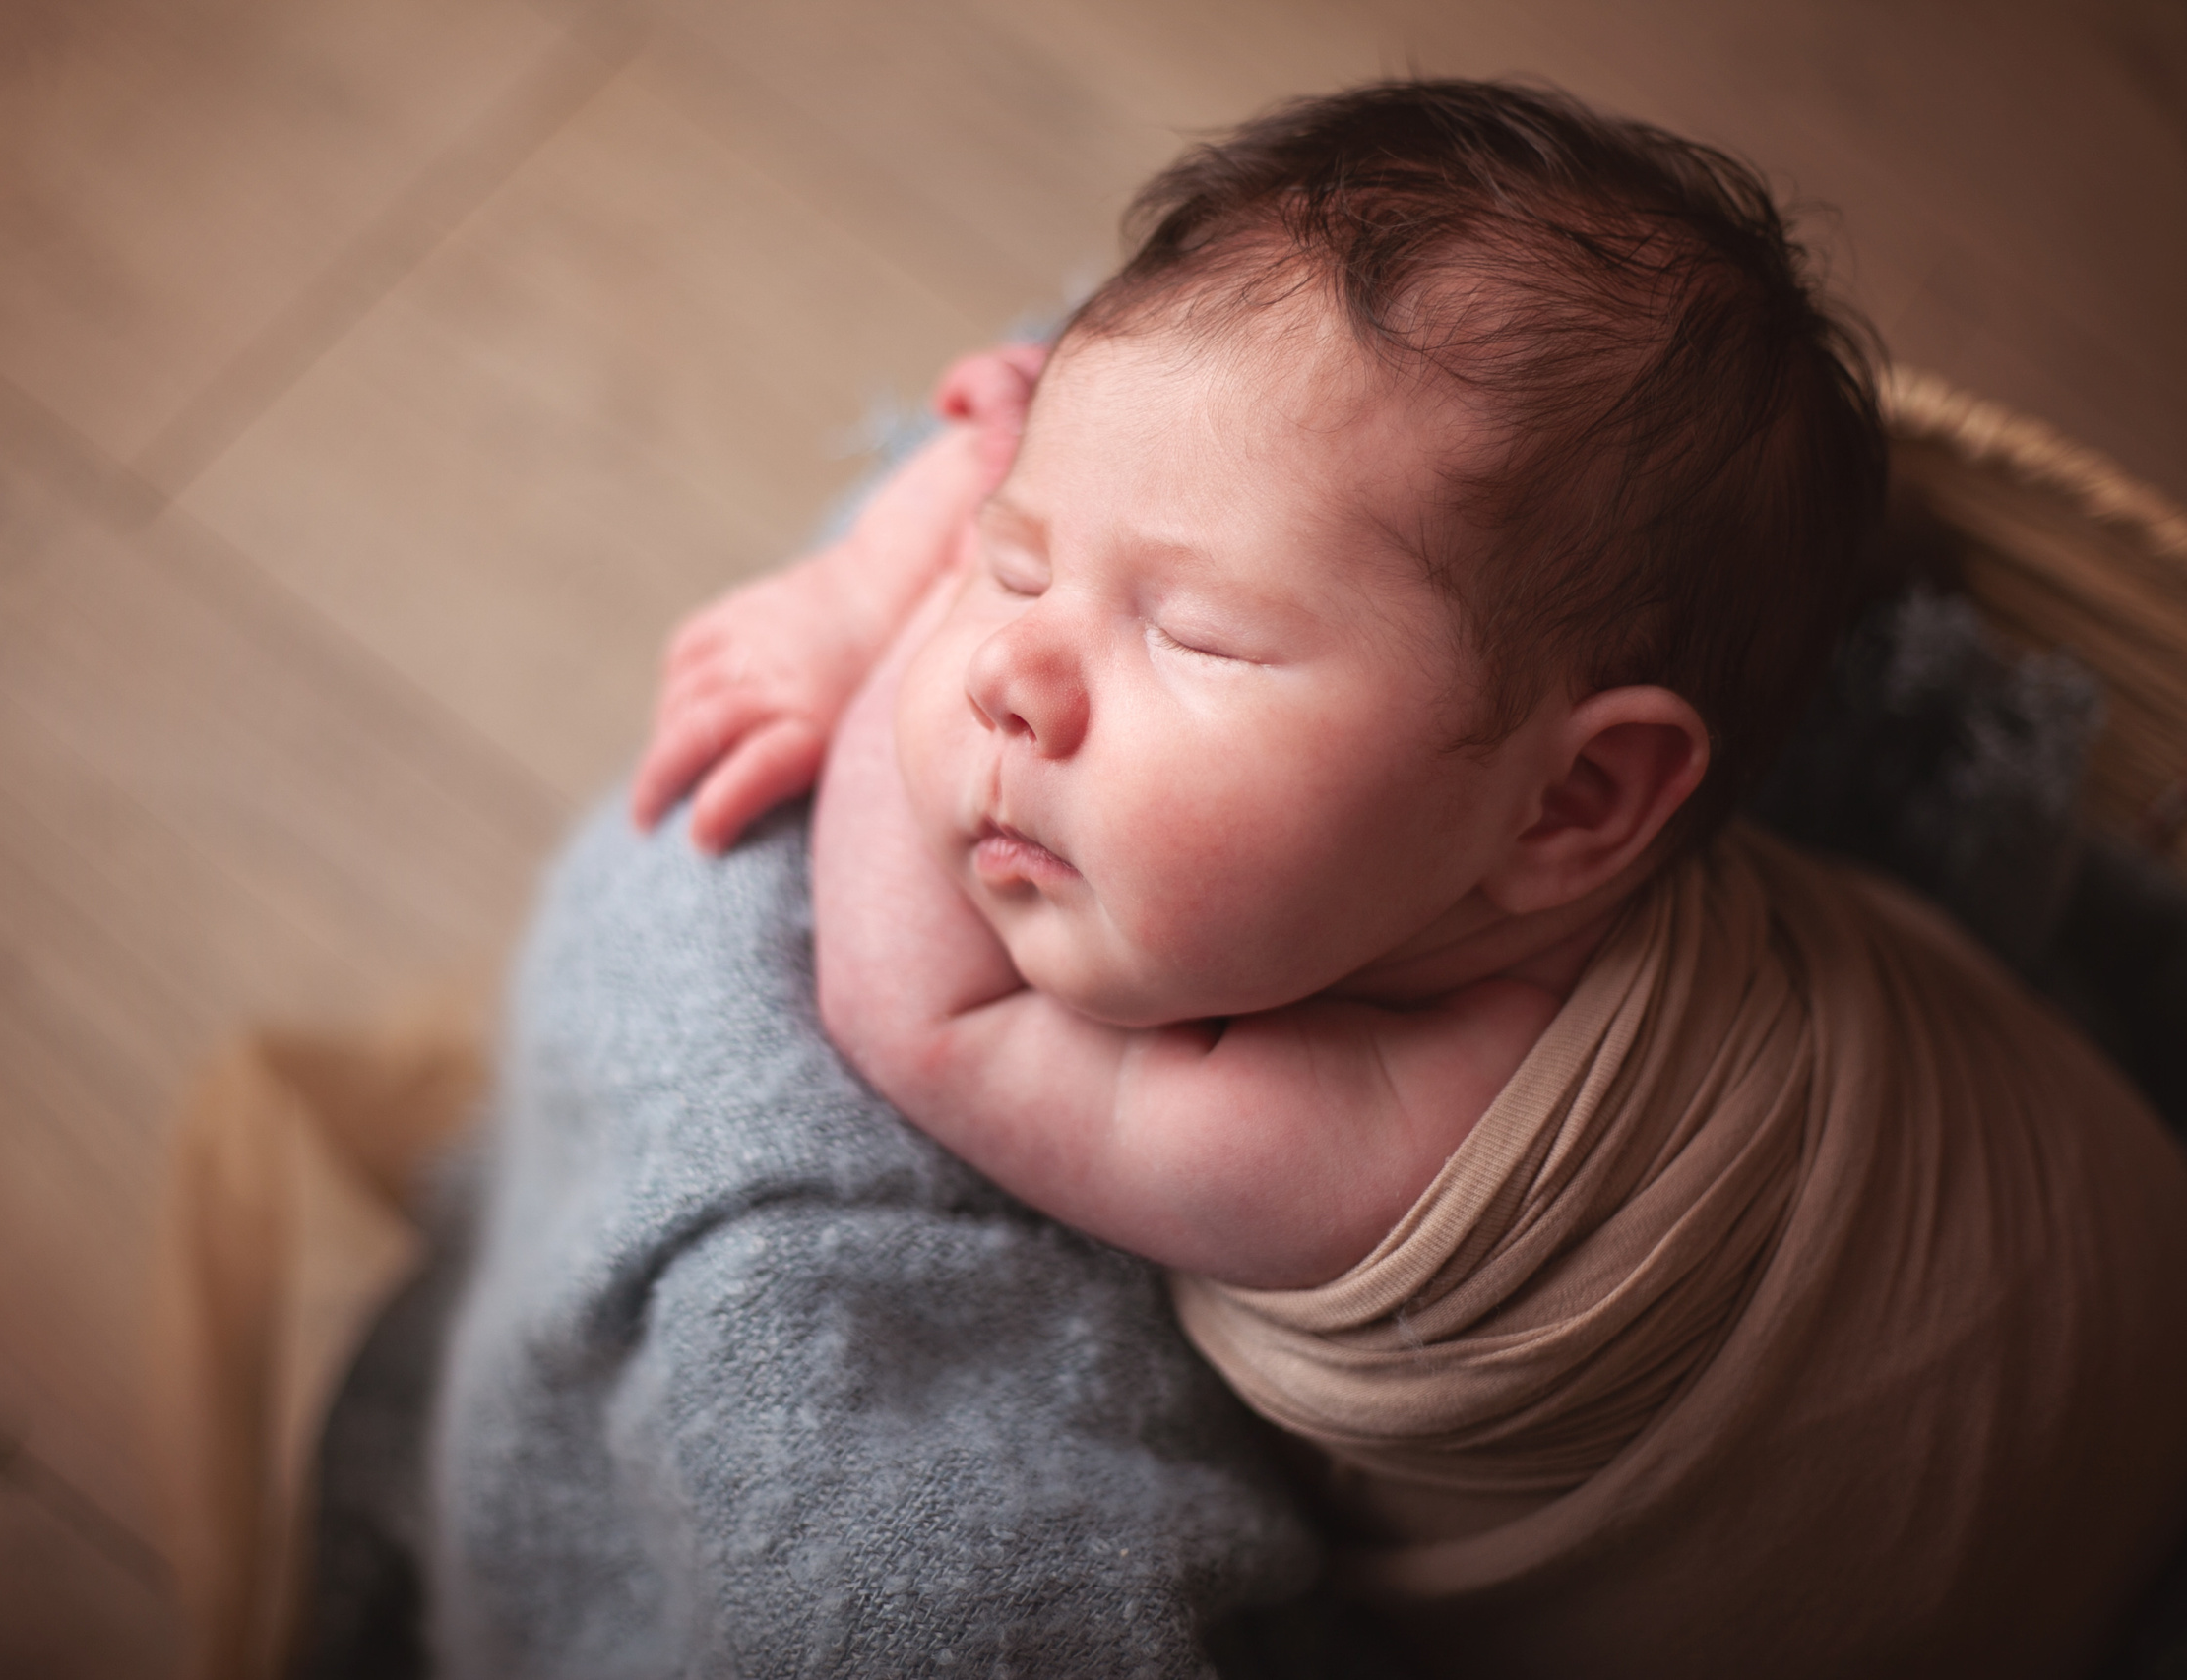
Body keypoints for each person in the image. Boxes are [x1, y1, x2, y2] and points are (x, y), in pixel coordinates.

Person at [632, 81, 2187, 1677]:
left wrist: (881, 579)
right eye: (1016, 560)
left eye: (1196, 635)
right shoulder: (1484, 860)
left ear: (1574, 800)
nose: (1005, 672)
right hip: (2124, 1251)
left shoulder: (1371, 1148)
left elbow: (915, 1009)